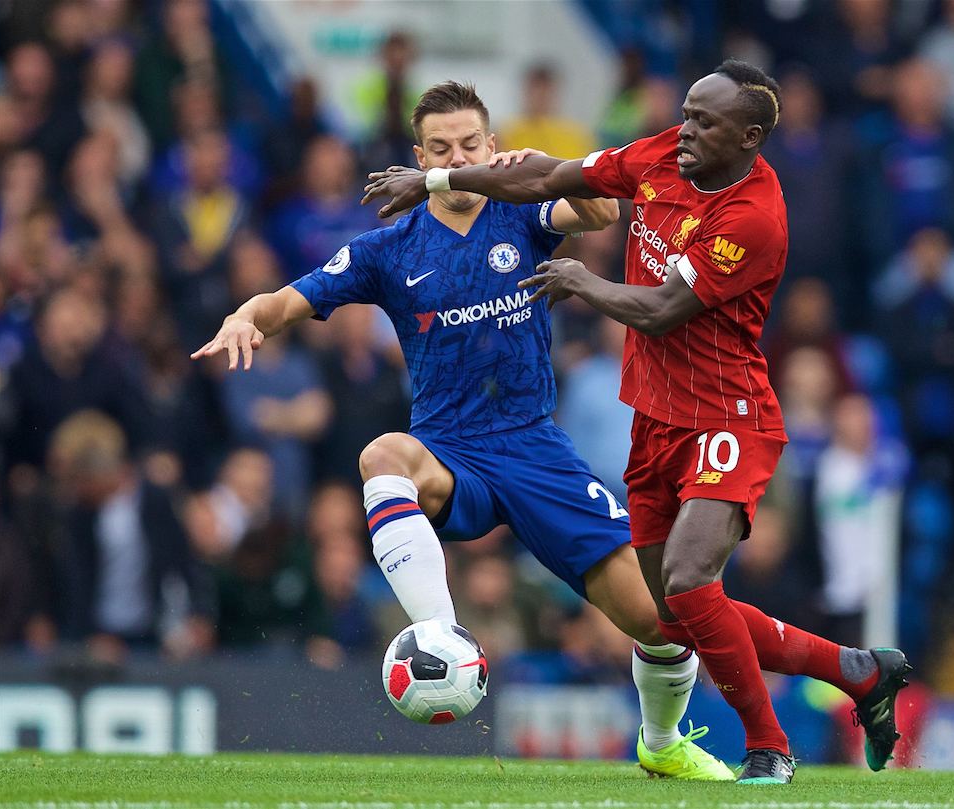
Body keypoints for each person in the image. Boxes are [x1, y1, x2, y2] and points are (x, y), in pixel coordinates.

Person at [361, 59, 910, 785]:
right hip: (654, 418)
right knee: (674, 618)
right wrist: (435, 181)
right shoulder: (661, 155)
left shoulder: (750, 216)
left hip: (727, 415)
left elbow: (658, 309)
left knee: (687, 581)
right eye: (685, 112)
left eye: (704, 122)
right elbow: (549, 178)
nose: (685, 130)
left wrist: (582, 280)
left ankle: (769, 745)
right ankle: (860, 672)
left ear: (748, 137)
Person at [192, 82, 731, 781]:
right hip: (450, 451)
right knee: (382, 454)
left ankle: (660, 741)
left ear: (491, 147)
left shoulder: (525, 212)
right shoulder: (386, 251)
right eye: (441, 148)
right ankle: (440, 636)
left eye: (470, 145)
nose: (457, 157)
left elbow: (599, 209)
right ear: (420, 157)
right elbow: (287, 300)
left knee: (665, 627)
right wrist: (245, 316)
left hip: (537, 450)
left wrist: (554, 167)